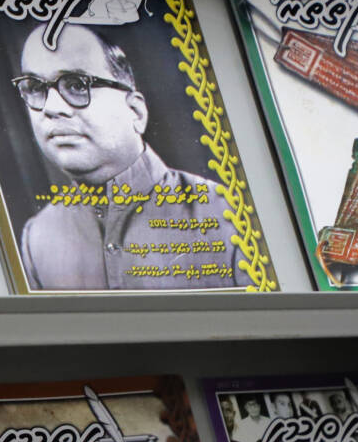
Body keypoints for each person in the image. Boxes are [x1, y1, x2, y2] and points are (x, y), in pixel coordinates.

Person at [12, 23, 246, 290]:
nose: (51, 108)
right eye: (34, 88)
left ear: (135, 112)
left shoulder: (229, 213)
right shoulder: (37, 238)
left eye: (77, 85)